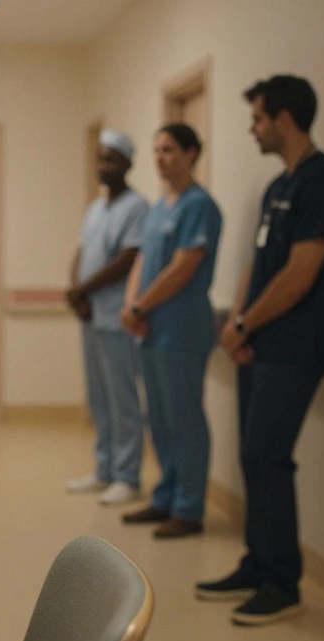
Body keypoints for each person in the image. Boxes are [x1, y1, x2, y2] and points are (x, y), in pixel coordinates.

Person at [197, 75, 324, 625]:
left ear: (285, 120)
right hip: (260, 343)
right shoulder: (277, 188)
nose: (252, 128)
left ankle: (282, 581)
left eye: (258, 118)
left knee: (268, 456)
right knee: (252, 457)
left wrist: (244, 323)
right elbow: (257, 265)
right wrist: (238, 328)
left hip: (297, 347)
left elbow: (300, 275)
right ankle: (257, 561)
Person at [120, 123, 222, 539]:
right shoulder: (160, 206)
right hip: (150, 328)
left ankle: (188, 507)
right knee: (158, 419)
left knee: (185, 421)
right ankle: (165, 496)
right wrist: (131, 305)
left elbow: (184, 267)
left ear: (192, 153)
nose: (160, 157)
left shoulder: (200, 206)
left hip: (181, 329)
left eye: (169, 149)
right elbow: (142, 262)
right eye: (156, 149)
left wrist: (142, 305)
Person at [63, 129, 149, 506]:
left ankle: (128, 476)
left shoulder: (137, 207)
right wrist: (75, 290)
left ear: (128, 164)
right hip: (90, 315)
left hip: (116, 316)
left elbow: (127, 260)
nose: (103, 166)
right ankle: (104, 469)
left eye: (111, 159)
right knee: (98, 397)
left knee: (122, 398)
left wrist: (85, 290)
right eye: (100, 158)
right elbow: (81, 253)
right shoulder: (94, 208)